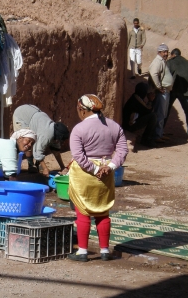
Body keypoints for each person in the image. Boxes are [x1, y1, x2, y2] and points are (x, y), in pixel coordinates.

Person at [67, 94, 128, 262]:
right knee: (103, 212)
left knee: (83, 212)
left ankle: (83, 251)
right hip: (106, 174)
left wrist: (94, 169)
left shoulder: (79, 130)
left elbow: (78, 156)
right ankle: (105, 250)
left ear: (82, 109)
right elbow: (122, 151)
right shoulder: (115, 127)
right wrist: (110, 167)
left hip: (84, 175)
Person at [12, 104, 70, 177]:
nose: (59, 142)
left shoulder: (54, 130)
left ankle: (35, 165)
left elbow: (56, 150)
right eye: (60, 140)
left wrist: (62, 167)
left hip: (33, 114)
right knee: (27, 143)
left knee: (32, 142)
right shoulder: (47, 134)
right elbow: (38, 153)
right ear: (58, 137)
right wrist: (45, 168)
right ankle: (30, 165)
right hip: (22, 116)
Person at [148, 43, 174, 143]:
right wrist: (158, 87)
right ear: (159, 52)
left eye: (167, 51)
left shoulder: (162, 61)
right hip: (161, 92)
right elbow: (154, 74)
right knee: (160, 114)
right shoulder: (157, 62)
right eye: (164, 52)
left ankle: (159, 133)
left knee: (163, 114)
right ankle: (156, 136)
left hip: (165, 91)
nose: (166, 54)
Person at [122, 82, 157, 148]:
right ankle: (146, 139)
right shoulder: (136, 99)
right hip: (129, 126)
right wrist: (151, 100)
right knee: (153, 116)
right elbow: (148, 110)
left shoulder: (136, 96)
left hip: (130, 123)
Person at [165, 48, 188, 134]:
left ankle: (160, 132)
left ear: (173, 55)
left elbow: (167, 76)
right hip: (185, 92)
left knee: (165, 110)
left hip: (172, 90)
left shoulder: (170, 62)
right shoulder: (186, 62)